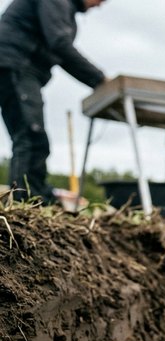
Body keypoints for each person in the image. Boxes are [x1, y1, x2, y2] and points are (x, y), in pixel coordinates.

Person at [0, 0, 107, 203]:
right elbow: (59, 44)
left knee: (31, 138)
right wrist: (99, 79)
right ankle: (25, 202)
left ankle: (33, 196)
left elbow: (60, 49)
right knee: (32, 138)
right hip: (15, 64)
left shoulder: (65, 9)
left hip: (20, 67)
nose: (100, 5)